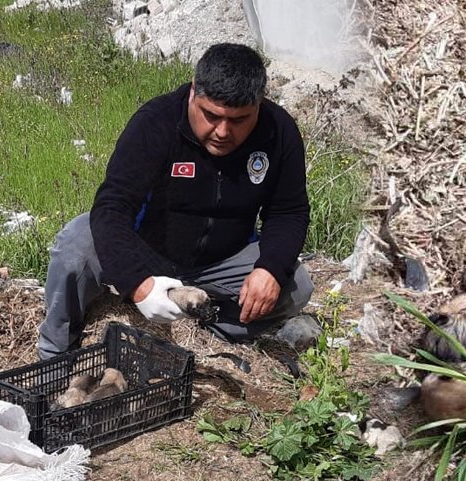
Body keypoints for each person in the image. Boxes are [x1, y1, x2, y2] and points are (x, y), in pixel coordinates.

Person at [37, 43, 314, 359]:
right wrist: (138, 283)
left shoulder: (279, 131)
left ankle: (210, 330)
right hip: (150, 253)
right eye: (211, 115)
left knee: (296, 286)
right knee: (76, 242)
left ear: (259, 105)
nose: (223, 131)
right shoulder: (156, 122)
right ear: (194, 91)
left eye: (238, 120)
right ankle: (55, 351)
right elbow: (112, 206)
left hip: (222, 262)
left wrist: (270, 269)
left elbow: (289, 211)